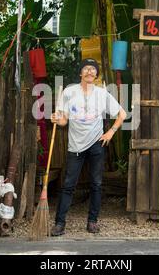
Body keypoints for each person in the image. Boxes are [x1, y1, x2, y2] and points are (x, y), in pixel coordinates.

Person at [50, 58, 127, 236]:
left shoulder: (102, 94)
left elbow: (122, 114)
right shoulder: (69, 92)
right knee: (68, 184)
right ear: (80, 73)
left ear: (96, 74)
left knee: (96, 184)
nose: (90, 72)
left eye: (93, 69)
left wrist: (110, 133)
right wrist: (56, 119)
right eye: (86, 69)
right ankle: (59, 223)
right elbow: (63, 121)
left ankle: (92, 222)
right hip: (75, 145)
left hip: (96, 144)